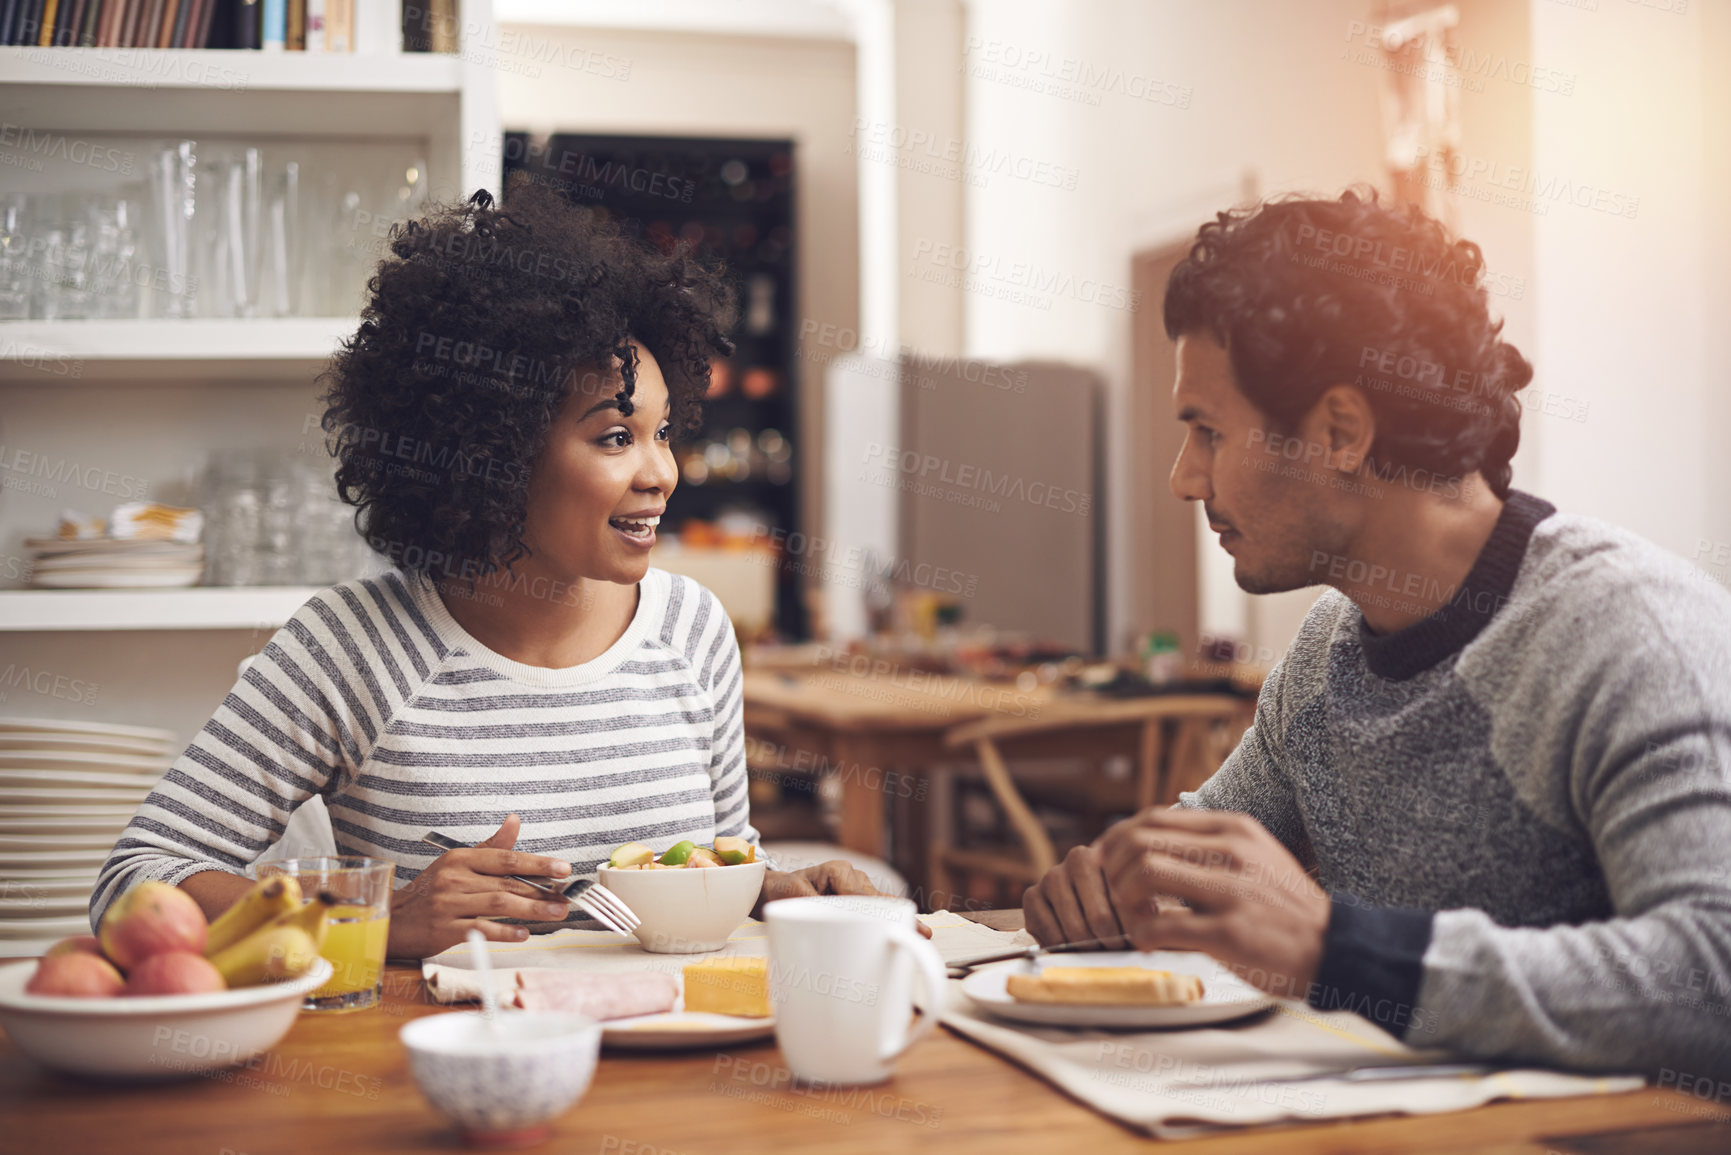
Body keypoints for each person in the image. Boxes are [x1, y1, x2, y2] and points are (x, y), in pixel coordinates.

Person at [1023, 188, 1731, 1080]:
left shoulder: (1630, 634)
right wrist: (1118, 882)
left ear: (1340, 432)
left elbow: (1711, 978)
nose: (1183, 477)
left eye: (1207, 430)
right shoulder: (1326, 652)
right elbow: (1205, 853)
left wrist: (1346, 951)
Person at [91, 175, 890, 958]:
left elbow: (717, 865)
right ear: (494, 454)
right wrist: (375, 915)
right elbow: (133, 880)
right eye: (616, 437)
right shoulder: (350, 647)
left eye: (664, 432)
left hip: (675, 1073)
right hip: (453, 1075)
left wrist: (769, 886)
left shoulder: (693, 629)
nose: (662, 473)